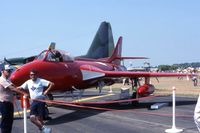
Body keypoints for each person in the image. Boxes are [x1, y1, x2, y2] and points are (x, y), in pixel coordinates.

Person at [0, 64, 19, 133]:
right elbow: (12, 88)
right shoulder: (2, 79)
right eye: (7, 71)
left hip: (9, 103)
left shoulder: (7, 80)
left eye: (10, 71)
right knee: (5, 122)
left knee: (10, 120)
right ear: (2, 71)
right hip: (4, 103)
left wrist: (21, 88)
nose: (9, 73)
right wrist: (24, 93)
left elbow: (14, 86)